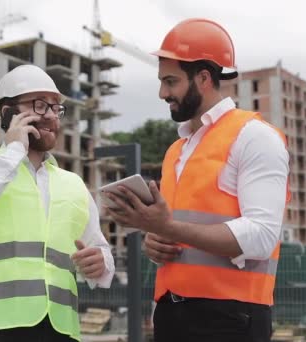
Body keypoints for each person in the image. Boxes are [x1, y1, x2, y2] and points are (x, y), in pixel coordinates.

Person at [104, 18, 289, 342]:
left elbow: (261, 236)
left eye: (171, 81)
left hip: (232, 319)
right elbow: (180, 230)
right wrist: (156, 244)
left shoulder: (255, 137)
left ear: (203, 77)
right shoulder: (177, 150)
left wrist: (168, 228)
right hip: (172, 315)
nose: (163, 93)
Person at [0, 64, 115, 342]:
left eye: (56, 108)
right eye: (40, 105)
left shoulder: (73, 184)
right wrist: (13, 151)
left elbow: (100, 251)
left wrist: (101, 264)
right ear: (8, 113)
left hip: (60, 331)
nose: (51, 117)